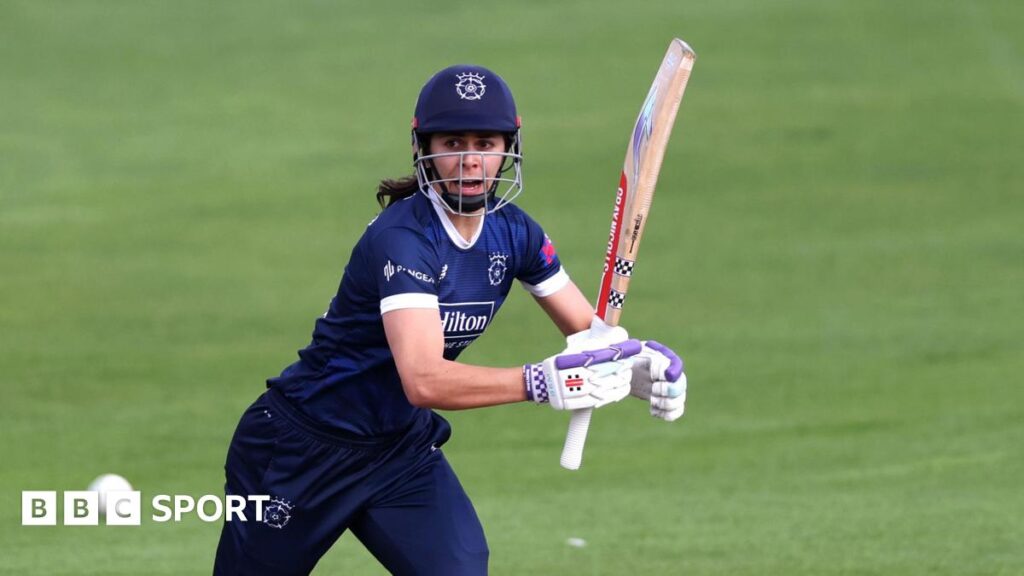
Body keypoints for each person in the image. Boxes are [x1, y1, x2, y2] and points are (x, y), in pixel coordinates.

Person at [213, 64, 688, 576]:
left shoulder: (516, 234)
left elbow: (587, 332)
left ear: (508, 147)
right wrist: (539, 382)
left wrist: (631, 364)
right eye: (452, 142)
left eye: (485, 143)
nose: (468, 160)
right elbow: (423, 379)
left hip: (397, 453)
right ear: (424, 148)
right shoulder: (405, 238)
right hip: (299, 451)